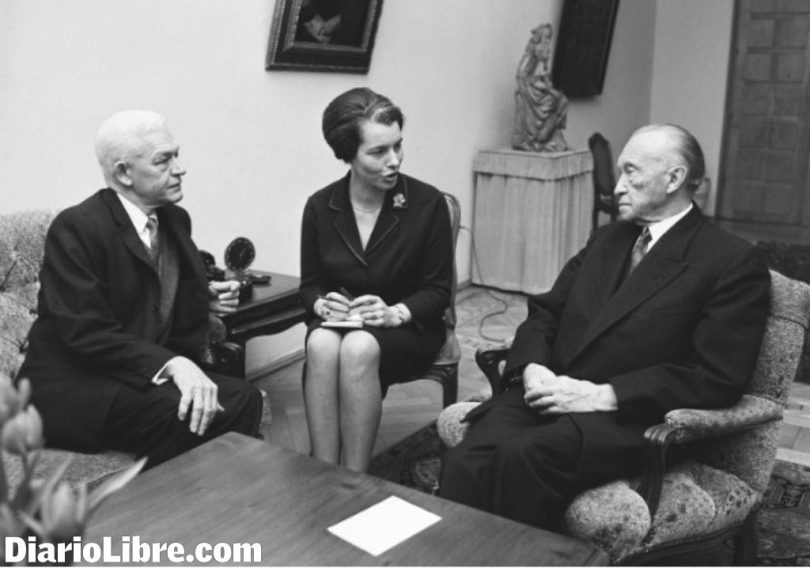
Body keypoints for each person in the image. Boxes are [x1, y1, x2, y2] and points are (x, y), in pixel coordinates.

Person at [440, 123, 771, 530]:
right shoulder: (607, 239)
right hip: (552, 393)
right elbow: (546, 312)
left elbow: (717, 376)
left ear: (674, 178)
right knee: (467, 459)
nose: (617, 187)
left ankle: (523, 557)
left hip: (631, 418)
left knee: (524, 456)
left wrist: (600, 395)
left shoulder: (730, 262)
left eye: (630, 172)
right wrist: (532, 368)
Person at [18, 110, 264, 469]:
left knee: (245, 398)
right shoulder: (77, 227)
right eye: (163, 160)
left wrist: (202, 298)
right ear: (123, 173)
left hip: (133, 372)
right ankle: (153, 500)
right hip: (77, 384)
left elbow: (150, 292)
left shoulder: (175, 219)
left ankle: (211, 495)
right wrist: (173, 364)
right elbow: (86, 331)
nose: (179, 169)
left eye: (176, 156)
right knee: (180, 412)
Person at [300, 88, 453, 472]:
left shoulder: (427, 204)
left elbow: (438, 292)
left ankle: (355, 477)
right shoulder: (320, 207)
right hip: (344, 323)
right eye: (378, 152)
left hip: (409, 325)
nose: (394, 160)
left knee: (359, 348)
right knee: (319, 342)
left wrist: (395, 313)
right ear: (347, 154)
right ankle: (323, 471)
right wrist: (322, 304)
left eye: (398, 146)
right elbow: (310, 285)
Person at [511, 23, 569, 152]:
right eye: (546, 37)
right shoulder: (534, 50)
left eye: (550, 37)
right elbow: (522, 75)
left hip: (535, 86)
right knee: (555, 100)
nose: (548, 40)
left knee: (561, 100)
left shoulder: (543, 51)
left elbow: (544, 74)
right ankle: (538, 138)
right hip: (528, 88)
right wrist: (547, 89)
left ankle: (548, 136)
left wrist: (548, 84)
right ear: (540, 36)